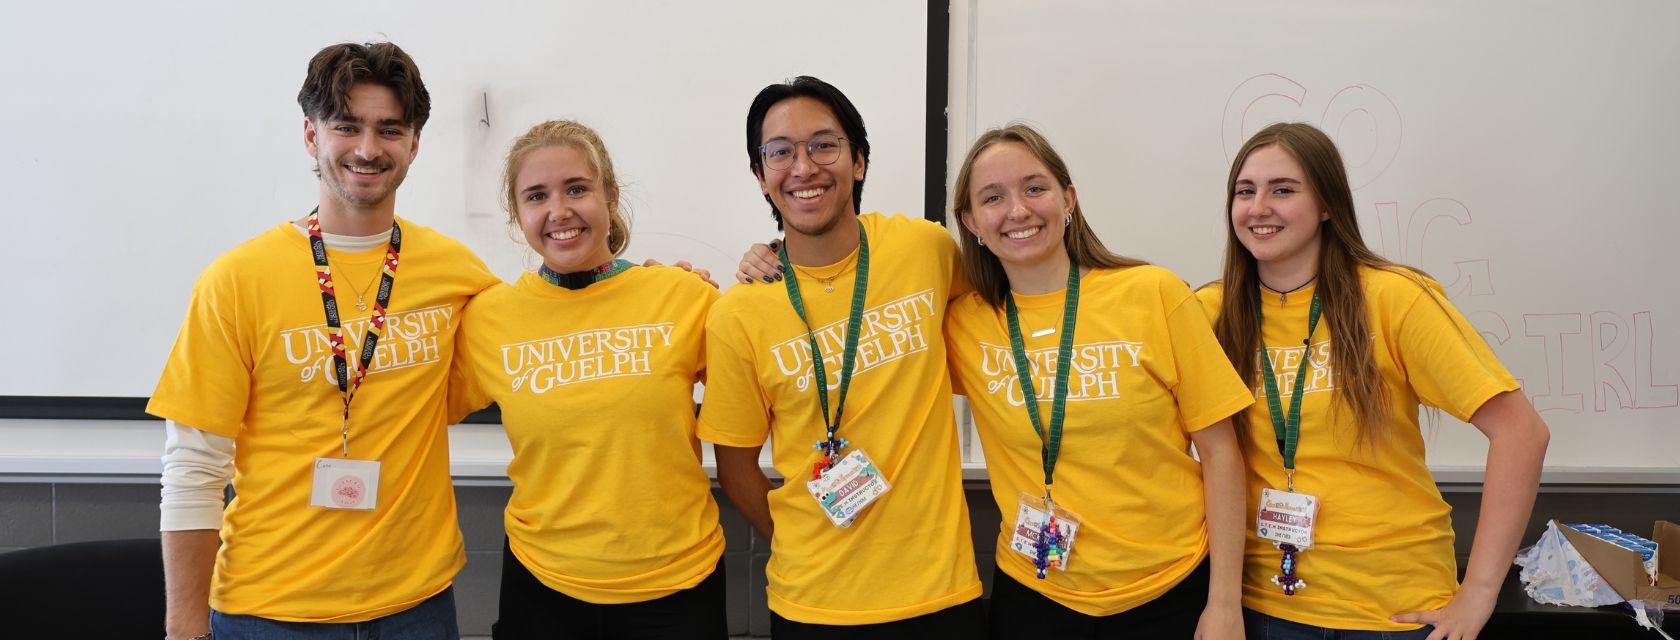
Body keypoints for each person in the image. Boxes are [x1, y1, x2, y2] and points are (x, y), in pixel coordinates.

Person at [151, 42, 498, 639]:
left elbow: (553, 320)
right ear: (311, 136)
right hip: (271, 609)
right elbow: (194, 464)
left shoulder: (457, 273)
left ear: (414, 145)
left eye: (390, 129)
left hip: (417, 605)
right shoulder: (237, 280)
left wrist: (643, 280)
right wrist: (184, 624)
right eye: (346, 126)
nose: (368, 149)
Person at [1196, 122, 1549, 640]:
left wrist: (1478, 593)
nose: (1258, 207)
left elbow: (1521, 432)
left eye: (1284, 190)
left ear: (1327, 206)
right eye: (1244, 191)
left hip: (1393, 613)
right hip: (1263, 609)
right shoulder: (1210, 312)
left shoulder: (1394, 298)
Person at [698, 76, 985, 637]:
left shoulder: (924, 251)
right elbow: (735, 469)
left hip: (942, 594)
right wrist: (804, 540)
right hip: (812, 606)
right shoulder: (739, 314)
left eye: (823, 145)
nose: (803, 167)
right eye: (779, 151)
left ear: (858, 161)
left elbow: (1009, 296)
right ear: (761, 176)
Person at [944, 123, 1252, 639]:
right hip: (1034, 594)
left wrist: (1224, 603)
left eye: (1034, 188)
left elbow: (1221, 452)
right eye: (993, 198)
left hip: (1170, 590)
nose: (1017, 210)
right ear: (971, 222)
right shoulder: (962, 323)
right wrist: (771, 261)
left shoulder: (1153, 294)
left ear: (1068, 199)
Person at [449, 119, 726, 639]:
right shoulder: (489, 318)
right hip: (542, 586)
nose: (559, 210)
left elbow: (766, 396)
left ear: (611, 196)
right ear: (518, 215)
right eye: (537, 196)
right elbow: (413, 407)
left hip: (676, 585)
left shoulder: (683, 296)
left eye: (577, 188)